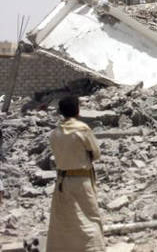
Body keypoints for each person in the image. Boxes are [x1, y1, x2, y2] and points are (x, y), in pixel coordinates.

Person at [46, 95, 105, 251]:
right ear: (78, 110)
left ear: (61, 112)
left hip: (62, 182)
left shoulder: (54, 133)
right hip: (82, 180)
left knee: (65, 221)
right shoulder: (82, 129)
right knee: (89, 218)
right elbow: (96, 154)